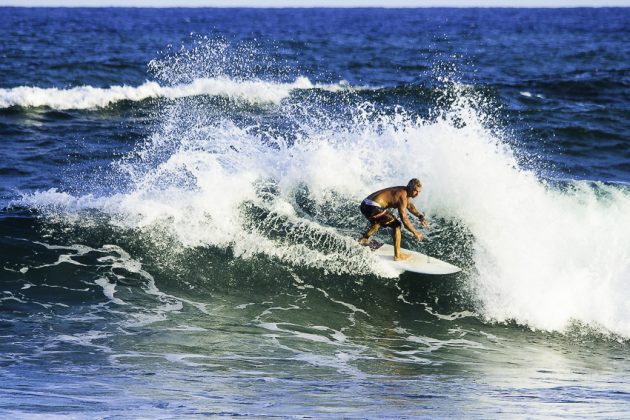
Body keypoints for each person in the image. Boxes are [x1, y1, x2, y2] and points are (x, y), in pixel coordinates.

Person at [359, 178, 429, 261]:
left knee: (380, 221)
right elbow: (405, 220)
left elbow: (409, 206)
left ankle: (364, 239)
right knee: (396, 225)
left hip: (365, 203)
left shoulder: (404, 191)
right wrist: (415, 232)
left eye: (419, 192)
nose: (417, 194)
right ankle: (397, 255)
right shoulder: (402, 196)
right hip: (372, 206)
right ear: (409, 188)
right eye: (415, 191)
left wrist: (420, 216)